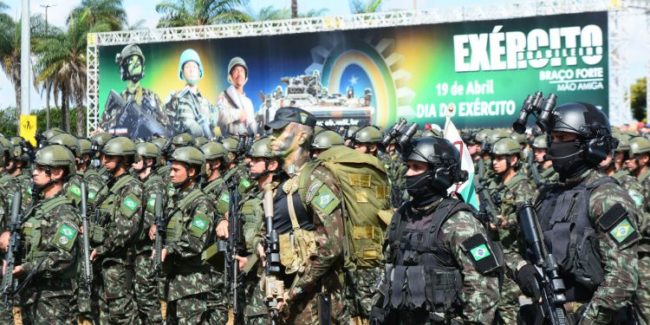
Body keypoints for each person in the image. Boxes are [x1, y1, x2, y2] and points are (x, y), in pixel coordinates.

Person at [514, 102, 639, 324]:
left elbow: (623, 278)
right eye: (553, 138)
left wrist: (583, 320)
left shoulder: (606, 197)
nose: (555, 145)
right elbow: (513, 250)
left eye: (563, 138)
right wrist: (522, 267)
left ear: (589, 144)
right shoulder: (546, 194)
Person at [371, 136, 500, 324]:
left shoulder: (459, 221)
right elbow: (389, 269)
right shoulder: (402, 216)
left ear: (438, 173)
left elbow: (484, 286)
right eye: (408, 165)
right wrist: (378, 306)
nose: (408, 173)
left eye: (416, 167)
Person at [263, 106, 347, 324]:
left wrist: (294, 292)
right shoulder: (280, 182)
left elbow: (332, 245)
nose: (272, 137)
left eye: (279, 131)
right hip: (286, 299)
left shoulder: (316, 179)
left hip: (313, 302)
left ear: (301, 137)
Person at [0, 145, 80, 323]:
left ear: (58, 173)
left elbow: (64, 256)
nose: (34, 173)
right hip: (32, 291)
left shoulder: (64, 211)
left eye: (41, 169)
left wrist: (25, 268)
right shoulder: (38, 207)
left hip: (52, 297)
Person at [157, 146, 226, 323]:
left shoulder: (202, 203)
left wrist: (169, 249)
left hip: (192, 285)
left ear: (192, 172)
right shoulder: (176, 200)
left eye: (176, 170)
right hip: (175, 283)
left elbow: (195, 242)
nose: (171, 174)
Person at [89, 136, 144, 324]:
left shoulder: (131, 187)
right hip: (102, 262)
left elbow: (126, 228)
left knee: (123, 315)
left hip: (119, 262)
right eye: (104, 157)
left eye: (109, 157)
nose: (103, 161)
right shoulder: (109, 185)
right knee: (102, 314)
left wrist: (102, 248)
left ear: (124, 160)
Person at [489, 137, 536, 324]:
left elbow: (528, 217)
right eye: (494, 158)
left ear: (513, 160)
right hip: (500, 251)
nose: (494, 162)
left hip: (516, 254)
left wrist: (505, 222)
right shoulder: (498, 185)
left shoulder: (521, 185)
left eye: (500, 158)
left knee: (506, 302)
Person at [100, 44, 171, 138]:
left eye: (138, 61)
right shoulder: (117, 101)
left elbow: (166, 129)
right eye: (131, 62)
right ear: (123, 68)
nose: (136, 64)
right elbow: (103, 129)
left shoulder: (152, 98)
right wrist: (119, 121)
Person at [165, 48, 218, 138]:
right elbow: (168, 124)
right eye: (187, 67)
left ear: (199, 71)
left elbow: (214, 124)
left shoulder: (206, 102)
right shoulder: (176, 98)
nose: (191, 70)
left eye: (194, 66)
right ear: (182, 72)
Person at [217, 56, 257, 136]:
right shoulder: (224, 96)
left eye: (242, 71)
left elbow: (252, 124)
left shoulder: (248, 102)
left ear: (246, 77)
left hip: (248, 142)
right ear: (230, 76)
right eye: (236, 70)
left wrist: (255, 134)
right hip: (231, 143)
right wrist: (238, 114)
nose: (239, 74)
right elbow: (219, 118)